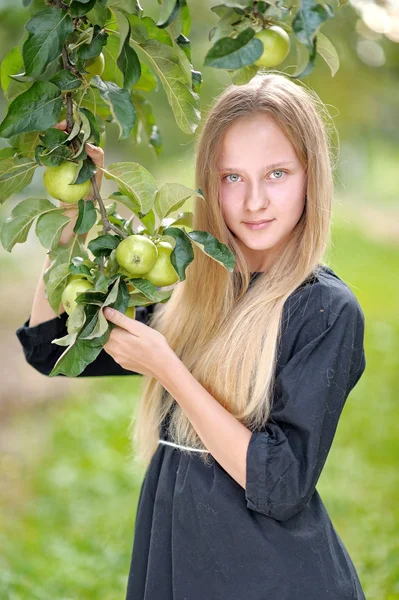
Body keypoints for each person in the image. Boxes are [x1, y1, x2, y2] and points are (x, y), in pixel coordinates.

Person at [16, 71, 367, 599]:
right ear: (209, 182)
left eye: (276, 174)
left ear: (311, 177)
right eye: (232, 177)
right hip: (177, 567)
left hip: (271, 579)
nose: (253, 202)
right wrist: (73, 215)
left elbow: (280, 483)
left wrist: (168, 369)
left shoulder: (324, 311)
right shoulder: (190, 283)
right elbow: (53, 348)